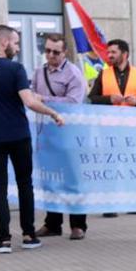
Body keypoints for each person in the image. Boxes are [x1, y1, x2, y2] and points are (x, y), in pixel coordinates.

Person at [0, 25, 65, 254]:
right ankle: (28, 235)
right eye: (16, 43)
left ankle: (3, 239)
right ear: (5, 42)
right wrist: (53, 113)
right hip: (18, 134)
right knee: (24, 183)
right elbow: (29, 101)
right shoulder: (15, 69)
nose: (17, 48)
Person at [31, 35, 90, 239]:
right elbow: (31, 95)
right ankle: (52, 223)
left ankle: (78, 224)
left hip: (69, 134)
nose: (50, 55)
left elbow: (74, 102)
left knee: (72, 179)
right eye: (47, 51)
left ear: (64, 52)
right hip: (46, 133)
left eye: (56, 52)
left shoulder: (73, 73)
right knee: (50, 178)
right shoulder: (39, 72)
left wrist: (44, 99)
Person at [88, 40, 136, 108]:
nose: (109, 55)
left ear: (124, 54)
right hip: (110, 117)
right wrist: (109, 99)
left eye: (113, 52)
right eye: (108, 52)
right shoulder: (103, 73)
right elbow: (91, 98)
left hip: (133, 117)